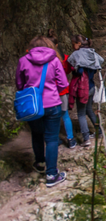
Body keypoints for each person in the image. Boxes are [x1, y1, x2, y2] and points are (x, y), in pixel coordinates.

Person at [15, 36, 68, 187]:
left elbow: (19, 84)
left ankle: (40, 163)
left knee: (37, 134)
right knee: (51, 139)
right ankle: (51, 175)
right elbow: (63, 83)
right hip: (52, 104)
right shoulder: (54, 60)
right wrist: (52, 92)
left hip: (32, 105)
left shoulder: (23, 60)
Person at [67, 34, 104, 146]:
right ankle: (99, 131)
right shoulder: (93, 53)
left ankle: (86, 138)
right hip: (91, 86)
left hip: (82, 88)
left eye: (73, 44)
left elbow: (77, 69)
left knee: (81, 113)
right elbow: (100, 61)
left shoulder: (77, 55)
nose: (73, 46)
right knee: (89, 110)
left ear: (78, 44)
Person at [47, 29, 77, 149]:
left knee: (50, 117)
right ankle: (70, 139)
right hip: (62, 91)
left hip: (48, 92)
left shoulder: (43, 60)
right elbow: (69, 70)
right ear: (57, 45)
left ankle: (54, 138)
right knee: (65, 115)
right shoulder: (64, 58)